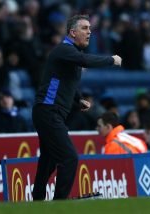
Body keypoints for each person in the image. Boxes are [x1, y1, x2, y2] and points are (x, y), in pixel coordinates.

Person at [32, 14, 122, 200]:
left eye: (90, 28)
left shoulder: (69, 54)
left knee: (48, 161)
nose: (89, 32)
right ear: (72, 32)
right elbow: (87, 61)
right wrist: (111, 60)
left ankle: (37, 201)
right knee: (69, 158)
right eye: (85, 28)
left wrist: (78, 99)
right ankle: (60, 204)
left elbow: (64, 81)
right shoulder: (64, 50)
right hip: (48, 112)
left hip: (48, 112)